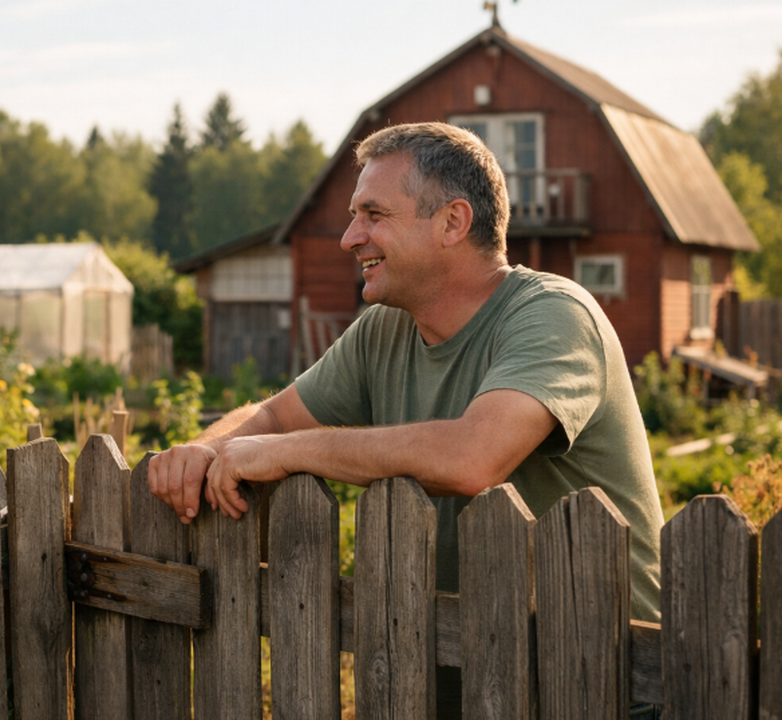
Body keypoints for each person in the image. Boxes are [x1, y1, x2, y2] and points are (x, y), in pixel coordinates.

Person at [147, 122, 664, 717]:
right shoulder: (385, 329)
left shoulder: (553, 315)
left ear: (452, 222)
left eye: (373, 214)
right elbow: (271, 414)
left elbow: (473, 459)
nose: (349, 238)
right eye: (352, 215)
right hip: (450, 676)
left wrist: (288, 451)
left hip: (589, 683)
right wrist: (204, 449)